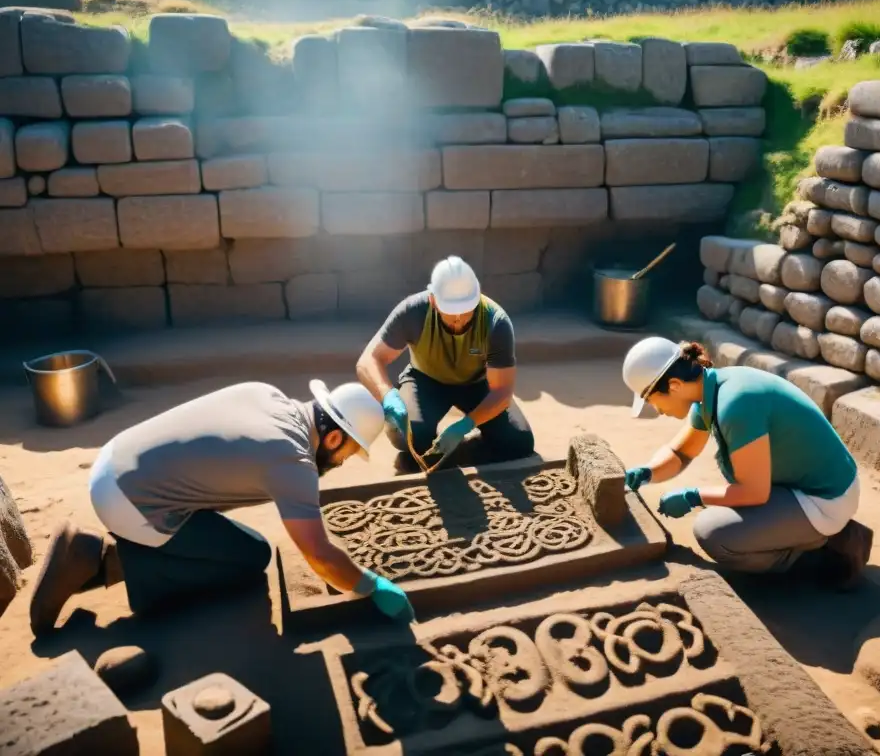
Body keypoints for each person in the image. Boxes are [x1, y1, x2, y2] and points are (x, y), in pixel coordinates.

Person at [29, 380, 414, 637]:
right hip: (129, 499)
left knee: (243, 545)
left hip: (116, 458)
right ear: (332, 437)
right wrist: (371, 585)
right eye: (347, 454)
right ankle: (99, 559)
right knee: (249, 558)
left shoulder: (269, 395)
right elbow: (320, 556)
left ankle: (102, 554)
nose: (342, 463)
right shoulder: (292, 461)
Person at [620, 336, 873, 589]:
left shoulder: (735, 404)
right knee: (724, 511)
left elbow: (754, 492)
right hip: (804, 484)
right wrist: (648, 472)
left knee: (716, 534)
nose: (657, 410)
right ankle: (810, 533)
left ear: (674, 385)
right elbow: (681, 453)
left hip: (826, 498)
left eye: (651, 400)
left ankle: (830, 549)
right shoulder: (710, 390)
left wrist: (693, 497)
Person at [356, 255, 535, 471]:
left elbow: (501, 391)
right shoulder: (413, 311)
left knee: (518, 441)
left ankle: (457, 450)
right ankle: (424, 450)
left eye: (465, 310)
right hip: (426, 381)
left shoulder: (495, 321)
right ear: (433, 300)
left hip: (477, 384)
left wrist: (465, 426)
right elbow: (368, 361)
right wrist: (388, 397)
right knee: (406, 433)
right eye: (451, 312)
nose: (458, 319)